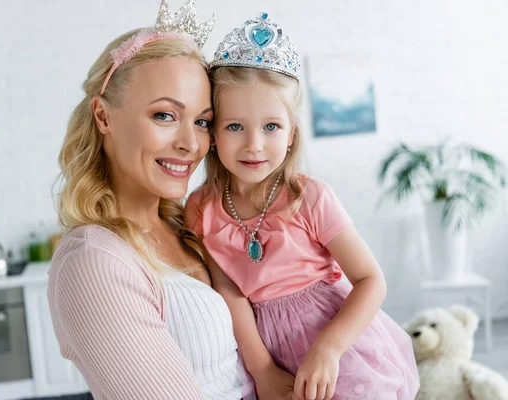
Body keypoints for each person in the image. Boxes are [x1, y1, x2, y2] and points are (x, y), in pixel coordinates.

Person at [185, 12, 420, 400]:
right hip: (265, 349)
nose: (254, 144)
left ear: (291, 134)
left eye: (271, 127)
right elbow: (230, 292)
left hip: (337, 347)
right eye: (235, 126)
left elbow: (370, 280)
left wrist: (329, 349)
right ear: (212, 133)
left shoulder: (309, 198)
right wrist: (261, 369)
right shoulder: (201, 209)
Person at [47, 1, 250, 399]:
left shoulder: (187, 226)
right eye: (164, 116)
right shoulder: (94, 260)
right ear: (103, 117)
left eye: (202, 122)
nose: (191, 144)